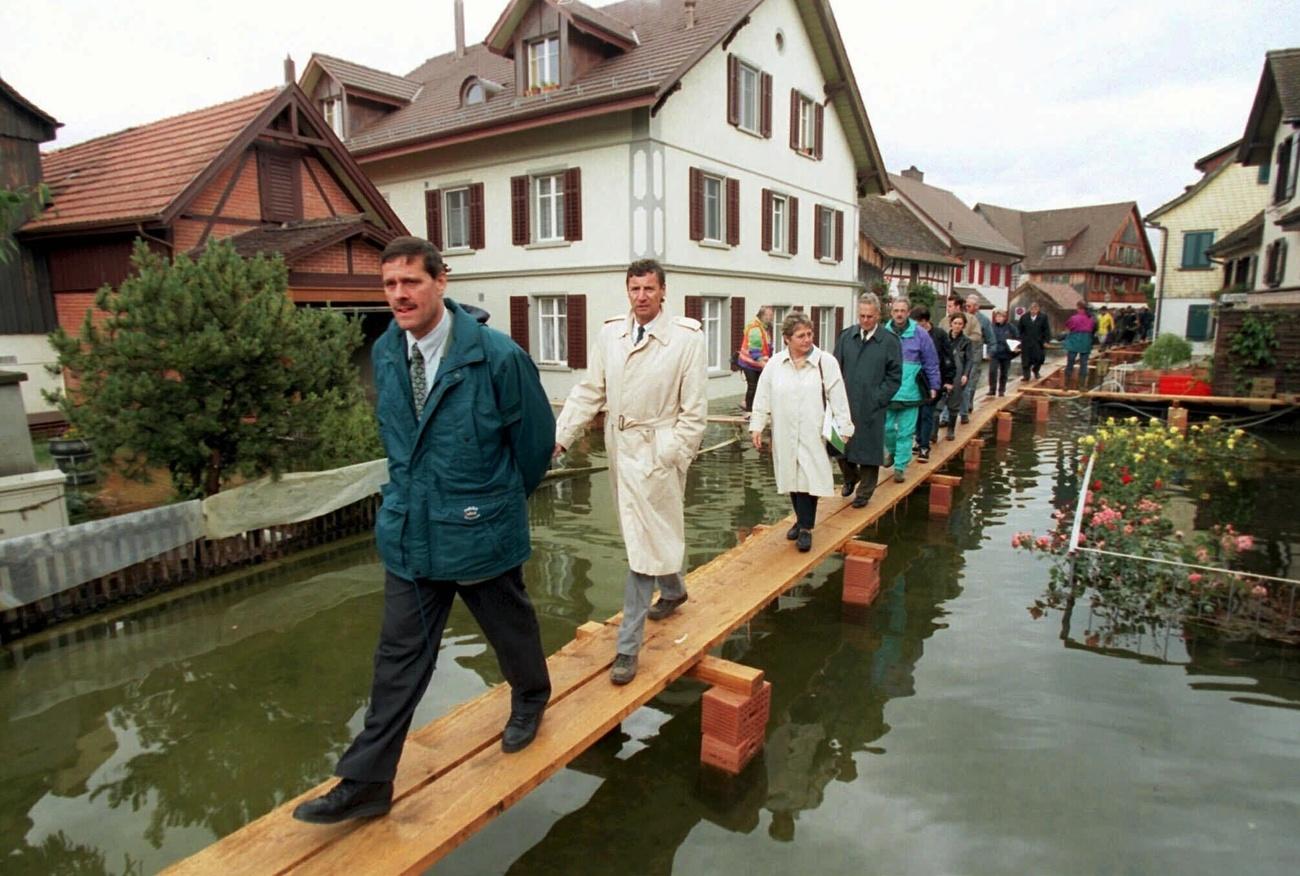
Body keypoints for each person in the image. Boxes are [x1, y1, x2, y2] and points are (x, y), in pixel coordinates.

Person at [293, 237, 555, 825]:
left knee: (509, 627)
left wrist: (490, 503)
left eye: (411, 281)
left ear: (442, 281)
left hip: (476, 530)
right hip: (412, 534)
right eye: (389, 285)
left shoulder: (496, 357)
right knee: (397, 659)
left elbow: (534, 447)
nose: (399, 295)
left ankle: (532, 696)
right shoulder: (388, 352)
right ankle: (366, 781)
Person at [554, 259, 707, 686]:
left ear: (663, 292)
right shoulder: (610, 334)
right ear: (628, 291)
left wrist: (673, 453)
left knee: (642, 546)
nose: (641, 296)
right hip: (620, 447)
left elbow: (694, 412)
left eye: (649, 288)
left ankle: (627, 646)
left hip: (658, 451)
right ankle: (674, 590)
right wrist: (561, 436)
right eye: (634, 288)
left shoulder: (686, 340)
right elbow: (590, 390)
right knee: (642, 532)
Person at [749, 313, 853, 553]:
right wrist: (757, 424)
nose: (807, 340)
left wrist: (845, 426)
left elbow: (838, 395)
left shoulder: (825, 362)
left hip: (812, 429)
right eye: (801, 336)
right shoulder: (775, 364)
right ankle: (800, 519)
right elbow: (763, 395)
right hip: (784, 430)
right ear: (787, 339)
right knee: (791, 476)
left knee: (809, 477)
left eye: (809, 334)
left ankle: (806, 528)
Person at [833, 292, 902, 508]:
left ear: (878, 316)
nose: (865, 320)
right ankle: (850, 477)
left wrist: (879, 398)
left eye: (869, 317)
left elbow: (894, 376)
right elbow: (835, 368)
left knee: (870, 450)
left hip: (872, 404)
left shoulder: (889, 341)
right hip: (845, 402)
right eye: (862, 316)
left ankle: (864, 493)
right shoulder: (846, 337)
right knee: (837, 445)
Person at [883, 297, 940, 482]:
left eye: (902, 311)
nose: (899, 314)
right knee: (887, 428)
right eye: (896, 310)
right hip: (889, 390)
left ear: (908, 313)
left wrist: (934, 385)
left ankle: (900, 466)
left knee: (906, 432)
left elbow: (931, 361)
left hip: (911, 390)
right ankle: (892, 452)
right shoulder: (884, 333)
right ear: (891, 313)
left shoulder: (920, 334)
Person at [911, 303, 950, 462]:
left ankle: (924, 446)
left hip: (932, 380)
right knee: (917, 414)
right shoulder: (912, 334)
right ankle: (918, 439)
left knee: (927, 413)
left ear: (924, 321)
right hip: (915, 381)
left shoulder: (939, 335)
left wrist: (947, 380)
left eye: (917, 322)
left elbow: (947, 358)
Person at [942, 313, 976, 440]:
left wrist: (965, 375)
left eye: (960, 324)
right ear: (951, 324)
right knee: (940, 400)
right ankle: (937, 429)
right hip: (945, 372)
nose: (957, 326)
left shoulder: (966, 341)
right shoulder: (944, 338)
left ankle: (951, 429)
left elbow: (969, 360)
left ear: (964, 326)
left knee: (954, 401)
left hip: (959, 372)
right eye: (955, 323)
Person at [737, 306, 773, 412]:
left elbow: (767, 346)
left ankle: (751, 405)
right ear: (762, 315)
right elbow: (755, 348)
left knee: (760, 386)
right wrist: (762, 362)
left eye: (772, 315)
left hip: (756, 363)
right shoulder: (755, 328)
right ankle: (749, 411)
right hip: (749, 362)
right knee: (753, 386)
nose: (771, 317)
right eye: (769, 315)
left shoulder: (765, 327)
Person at [1063, 300, 1097, 389]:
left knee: (1070, 363)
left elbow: (1068, 327)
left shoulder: (1074, 318)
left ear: (1078, 308)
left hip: (1074, 341)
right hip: (1086, 342)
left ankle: (1066, 385)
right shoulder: (1091, 319)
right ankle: (1082, 386)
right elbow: (1094, 329)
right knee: (1084, 364)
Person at [986, 308, 1020, 396]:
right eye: (997, 316)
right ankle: (992, 389)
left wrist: (1015, 347)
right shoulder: (992, 327)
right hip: (995, 353)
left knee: (1004, 372)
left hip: (1006, 353)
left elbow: (1017, 337)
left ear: (1004, 317)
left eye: (1000, 316)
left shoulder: (1010, 327)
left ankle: (1002, 390)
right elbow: (988, 339)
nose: (999, 318)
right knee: (992, 371)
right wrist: (988, 351)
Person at [1017, 301, 1051, 380]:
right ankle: (1026, 376)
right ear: (1030, 309)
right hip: (1026, 342)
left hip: (1038, 341)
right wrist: (1019, 340)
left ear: (1038, 309)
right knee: (1026, 360)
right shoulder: (1024, 317)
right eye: (1032, 309)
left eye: (1036, 309)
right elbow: (1020, 329)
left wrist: (1046, 341)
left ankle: (1036, 371)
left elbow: (1046, 330)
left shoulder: (1043, 317)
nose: (1034, 311)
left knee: (1039, 358)